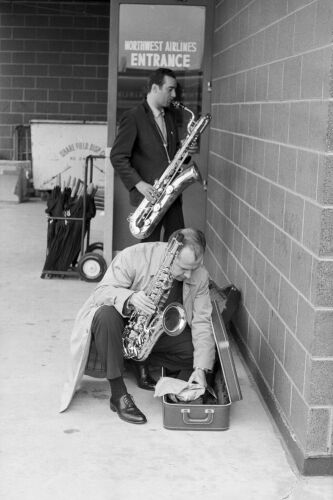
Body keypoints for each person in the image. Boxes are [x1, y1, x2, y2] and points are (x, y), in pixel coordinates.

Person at [60, 228, 216, 424]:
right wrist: (130, 298)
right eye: (184, 268)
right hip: (121, 327)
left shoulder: (200, 275)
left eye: (194, 267)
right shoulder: (134, 256)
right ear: (170, 253)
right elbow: (101, 292)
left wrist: (201, 369)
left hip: (155, 332)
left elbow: (202, 322)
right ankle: (118, 394)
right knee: (104, 315)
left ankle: (138, 360)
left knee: (199, 353)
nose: (188, 274)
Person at [111, 67, 194, 242]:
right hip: (150, 197)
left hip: (171, 193)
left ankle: (171, 271)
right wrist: (139, 184)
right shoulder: (133, 117)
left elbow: (172, 154)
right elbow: (117, 156)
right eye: (170, 89)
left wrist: (186, 151)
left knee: (176, 244)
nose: (174, 95)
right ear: (155, 88)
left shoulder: (170, 116)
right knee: (149, 249)